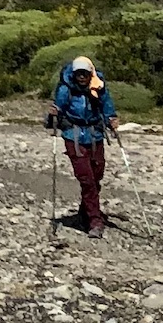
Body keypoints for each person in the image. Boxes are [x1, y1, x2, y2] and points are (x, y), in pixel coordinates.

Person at [45, 55, 118, 238]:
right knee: (86, 178)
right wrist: (53, 114)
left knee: (97, 173)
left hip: (95, 135)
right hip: (74, 136)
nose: (82, 77)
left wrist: (112, 118)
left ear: (90, 73)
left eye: (85, 74)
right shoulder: (65, 89)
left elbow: (106, 105)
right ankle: (95, 220)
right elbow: (57, 111)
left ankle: (85, 213)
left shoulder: (98, 86)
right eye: (78, 74)